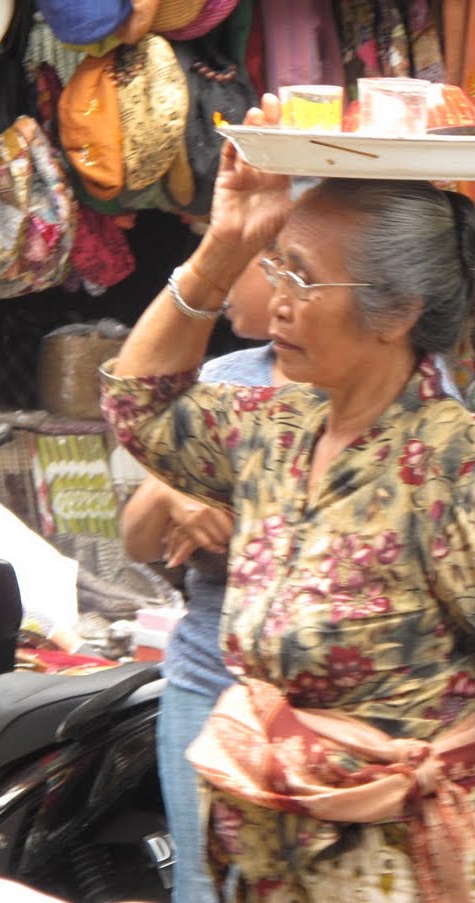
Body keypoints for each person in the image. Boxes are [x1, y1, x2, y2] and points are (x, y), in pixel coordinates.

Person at [101, 95, 475, 903]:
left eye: (304, 278)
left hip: (421, 865)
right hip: (289, 854)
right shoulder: (277, 429)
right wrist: (224, 247)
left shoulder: (459, 468)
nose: (276, 299)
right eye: (276, 267)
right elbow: (137, 407)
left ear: (399, 312)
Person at [120, 249, 289, 903]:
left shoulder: (402, 410)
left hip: (316, 701)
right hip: (207, 680)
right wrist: (174, 496)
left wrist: (238, 520)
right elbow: (137, 539)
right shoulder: (223, 380)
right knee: (204, 885)